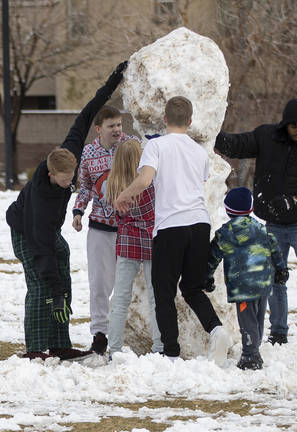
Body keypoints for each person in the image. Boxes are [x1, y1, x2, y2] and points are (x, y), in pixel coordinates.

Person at [6, 61, 127, 361]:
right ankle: (35, 349)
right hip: (27, 232)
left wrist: (113, 81)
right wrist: (55, 289)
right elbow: (41, 245)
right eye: (64, 180)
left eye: (72, 177)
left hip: (47, 236)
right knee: (40, 286)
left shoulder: (68, 154)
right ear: (51, 175)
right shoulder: (42, 201)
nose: (69, 183)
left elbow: (87, 112)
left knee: (64, 280)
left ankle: (59, 344)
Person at [112, 96, 230, 363]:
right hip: (199, 224)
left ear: (164, 119)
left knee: (163, 292)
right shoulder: (200, 153)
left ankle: (171, 353)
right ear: (190, 122)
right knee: (192, 288)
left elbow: (144, 180)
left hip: (170, 227)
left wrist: (124, 195)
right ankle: (216, 329)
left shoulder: (156, 146)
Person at [214, 99, 297, 344]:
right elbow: (237, 145)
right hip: (274, 224)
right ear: (285, 125)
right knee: (274, 280)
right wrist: (211, 133)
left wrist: (295, 200)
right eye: (294, 127)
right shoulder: (267, 136)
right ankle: (278, 331)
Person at [71, 105, 139, 355]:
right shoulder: (88, 152)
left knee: (129, 284)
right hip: (100, 226)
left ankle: (125, 331)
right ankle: (100, 333)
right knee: (100, 282)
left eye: (120, 125)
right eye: (111, 126)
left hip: (131, 227)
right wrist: (78, 211)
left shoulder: (132, 144)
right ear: (99, 129)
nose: (117, 130)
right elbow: (86, 186)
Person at [205, 187, 288, 370]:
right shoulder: (261, 229)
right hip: (263, 283)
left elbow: (212, 257)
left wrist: (207, 277)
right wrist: (281, 270)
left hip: (242, 287)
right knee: (258, 318)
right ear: (250, 208)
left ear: (228, 211)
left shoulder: (225, 233)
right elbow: (275, 249)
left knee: (247, 320)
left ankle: (251, 356)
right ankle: (254, 349)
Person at [102, 138, 161, 357]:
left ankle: (114, 348)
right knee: (156, 298)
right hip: (151, 240)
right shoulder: (151, 183)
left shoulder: (111, 185)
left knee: (120, 299)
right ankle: (159, 346)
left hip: (126, 241)